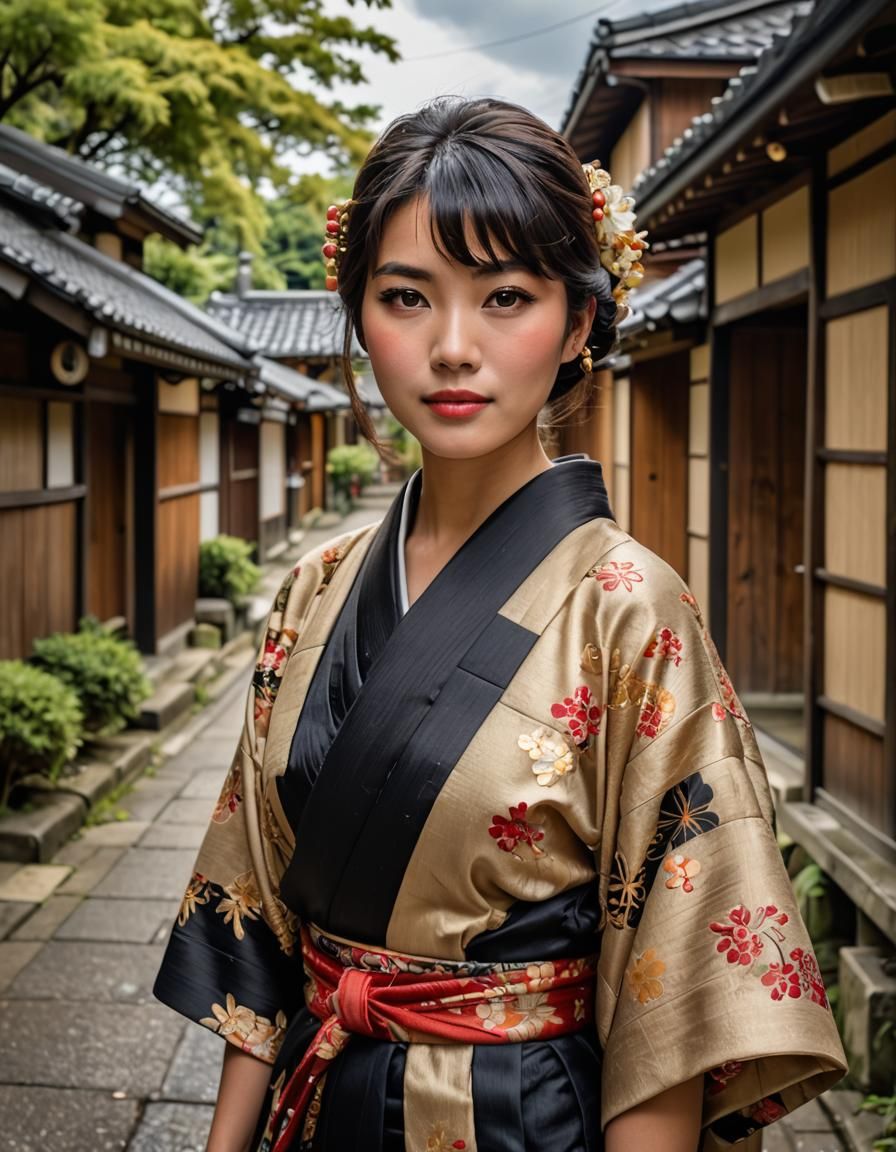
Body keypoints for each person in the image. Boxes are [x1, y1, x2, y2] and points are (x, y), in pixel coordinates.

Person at [154, 97, 846, 1152]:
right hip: (321, 1097)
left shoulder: (626, 608)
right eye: (405, 297)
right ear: (358, 317)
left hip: (516, 1112)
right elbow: (258, 921)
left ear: (575, 324)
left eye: (505, 296)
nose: (450, 346)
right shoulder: (315, 589)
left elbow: (669, 981)